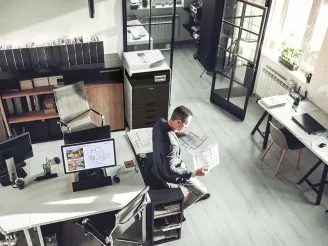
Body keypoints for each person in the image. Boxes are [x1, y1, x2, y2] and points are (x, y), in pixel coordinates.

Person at [151, 106, 210, 212]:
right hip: (169, 175)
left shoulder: (159, 122)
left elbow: (163, 139)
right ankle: (179, 208)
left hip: (157, 164)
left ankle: (192, 191)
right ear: (178, 121)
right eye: (186, 124)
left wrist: (175, 134)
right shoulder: (170, 145)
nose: (187, 127)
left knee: (195, 184)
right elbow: (170, 171)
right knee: (202, 191)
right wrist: (193, 173)